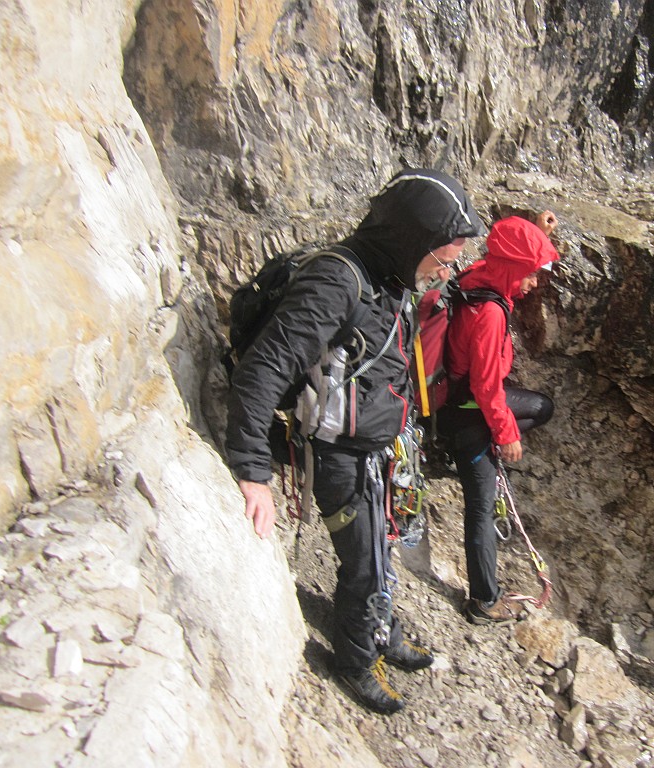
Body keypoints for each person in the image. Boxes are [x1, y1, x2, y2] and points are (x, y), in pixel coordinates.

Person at [225, 168, 484, 714]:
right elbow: (263, 369)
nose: (449, 269)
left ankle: (381, 630)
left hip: (375, 449)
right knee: (363, 564)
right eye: (444, 256)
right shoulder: (339, 281)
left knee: (380, 549)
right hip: (340, 457)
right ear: (413, 240)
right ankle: (355, 660)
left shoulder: (389, 278)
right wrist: (254, 473)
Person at [436, 212, 559, 625]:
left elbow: (510, 250)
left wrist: (538, 233)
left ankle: (484, 448)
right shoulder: (489, 316)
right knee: (481, 510)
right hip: (470, 416)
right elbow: (488, 388)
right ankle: (484, 601)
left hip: (462, 404)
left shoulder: (479, 275)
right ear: (512, 269)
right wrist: (504, 433)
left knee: (542, 406)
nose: (534, 282)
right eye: (530, 273)